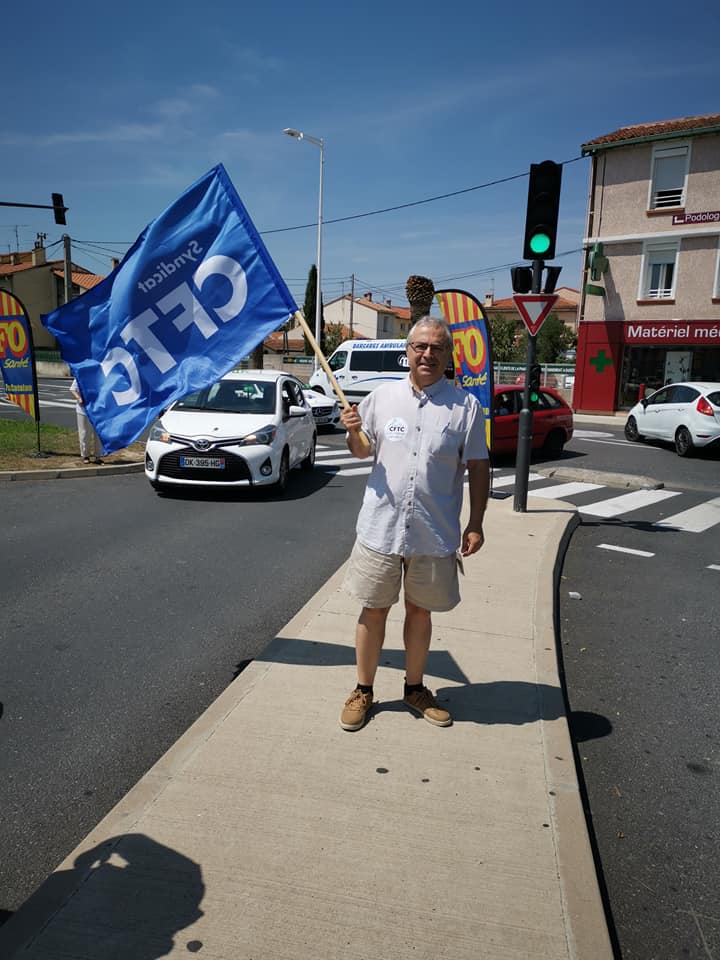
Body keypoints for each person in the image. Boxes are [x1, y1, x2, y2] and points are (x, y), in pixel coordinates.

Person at [338, 316, 490, 732]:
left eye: (437, 347)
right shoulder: (382, 398)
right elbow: (360, 451)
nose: (428, 354)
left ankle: (415, 688)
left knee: (420, 612)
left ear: (447, 355)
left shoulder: (465, 408)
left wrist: (475, 522)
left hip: (434, 530)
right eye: (420, 346)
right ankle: (363, 690)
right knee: (373, 610)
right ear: (407, 351)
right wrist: (353, 432)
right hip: (380, 528)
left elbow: (478, 467)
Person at [69, 377, 103, 464]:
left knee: (99, 435)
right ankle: (85, 455)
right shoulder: (81, 373)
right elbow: (73, 389)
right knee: (84, 434)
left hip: (98, 410)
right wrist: (79, 398)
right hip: (83, 410)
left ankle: (98, 456)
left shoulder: (100, 375)